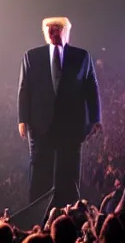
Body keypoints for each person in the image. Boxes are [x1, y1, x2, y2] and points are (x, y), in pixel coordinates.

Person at [17, 17, 102, 213]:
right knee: (39, 170)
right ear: (45, 33)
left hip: (70, 125)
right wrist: (23, 119)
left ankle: (69, 214)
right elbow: (24, 89)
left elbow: (91, 87)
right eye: (50, 30)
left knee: (69, 172)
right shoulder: (31, 56)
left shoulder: (82, 56)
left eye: (58, 30)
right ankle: (37, 215)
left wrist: (96, 118)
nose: (53, 34)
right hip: (40, 124)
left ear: (66, 32)